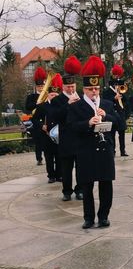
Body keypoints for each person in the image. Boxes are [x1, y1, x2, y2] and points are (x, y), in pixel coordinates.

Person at [67, 55, 119, 229]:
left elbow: (119, 122)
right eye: (90, 89)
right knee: (87, 186)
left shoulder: (107, 104)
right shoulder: (76, 106)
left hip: (105, 149)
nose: (94, 92)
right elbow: (71, 127)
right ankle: (88, 218)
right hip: (86, 150)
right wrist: (88, 123)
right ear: (84, 90)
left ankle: (103, 216)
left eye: (96, 88)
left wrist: (106, 115)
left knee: (106, 185)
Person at [50, 56, 84, 200]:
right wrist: (68, 104)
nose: (71, 89)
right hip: (65, 138)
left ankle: (80, 189)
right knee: (66, 168)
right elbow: (55, 117)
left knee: (81, 167)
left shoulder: (80, 97)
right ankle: (66, 191)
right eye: (68, 87)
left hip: (79, 137)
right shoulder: (58, 100)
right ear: (63, 87)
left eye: (73, 86)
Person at [34, 73, 63, 184]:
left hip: (59, 134)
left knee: (59, 156)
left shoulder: (61, 105)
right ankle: (51, 175)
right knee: (49, 157)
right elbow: (34, 119)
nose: (54, 97)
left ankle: (59, 175)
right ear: (48, 95)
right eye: (52, 95)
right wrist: (42, 126)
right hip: (46, 135)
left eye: (56, 95)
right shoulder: (42, 106)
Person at [102, 64, 129, 156]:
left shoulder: (121, 89)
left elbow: (126, 100)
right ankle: (112, 151)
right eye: (115, 85)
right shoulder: (107, 91)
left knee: (122, 134)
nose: (117, 86)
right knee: (112, 134)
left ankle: (123, 150)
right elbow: (105, 102)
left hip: (120, 113)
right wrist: (114, 98)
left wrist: (122, 95)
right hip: (112, 113)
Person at [25, 67, 46, 165]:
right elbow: (27, 107)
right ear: (36, 87)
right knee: (38, 141)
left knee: (47, 141)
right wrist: (36, 103)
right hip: (36, 120)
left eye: (42, 86)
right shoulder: (31, 96)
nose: (41, 88)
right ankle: (39, 158)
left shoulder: (47, 94)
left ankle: (48, 156)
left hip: (46, 120)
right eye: (39, 86)